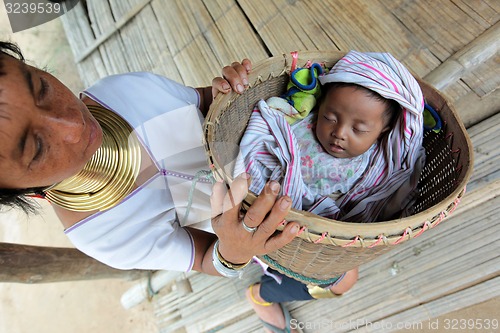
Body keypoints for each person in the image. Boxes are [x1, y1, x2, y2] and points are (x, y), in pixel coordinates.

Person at [0, 40, 302, 278]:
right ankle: (265, 297)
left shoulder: (123, 91)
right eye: (37, 148)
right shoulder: (103, 234)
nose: (72, 124)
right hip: (276, 229)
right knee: (336, 279)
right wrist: (234, 252)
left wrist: (229, 90)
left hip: (300, 152)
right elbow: (204, 258)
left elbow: (205, 102)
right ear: (17, 192)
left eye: (42, 87)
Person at [239, 50, 426, 332]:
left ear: (385, 129)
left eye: (359, 128)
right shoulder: (300, 128)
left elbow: (374, 198)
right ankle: (261, 295)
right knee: (344, 281)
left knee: (343, 278)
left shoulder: (377, 161)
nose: (340, 133)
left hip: (325, 242)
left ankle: (268, 289)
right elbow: (267, 148)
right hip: (276, 227)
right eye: (330, 117)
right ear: (320, 105)